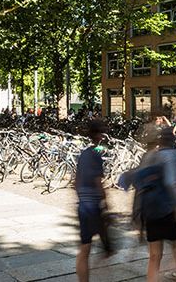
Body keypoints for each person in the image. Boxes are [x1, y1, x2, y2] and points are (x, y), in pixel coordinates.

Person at [141, 129, 176, 282]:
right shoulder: (172, 156)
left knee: (154, 255)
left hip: (151, 209)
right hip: (167, 207)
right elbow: (170, 182)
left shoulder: (150, 156)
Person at [75, 119, 111, 282]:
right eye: (102, 132)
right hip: (93, 207)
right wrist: (105, 202)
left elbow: (75, 182)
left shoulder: (83, 154)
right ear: (97, 135)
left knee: (85, 247)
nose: (104, 136)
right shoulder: (96, 154)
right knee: (106, 248)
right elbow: (98, 182)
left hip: (83, 206)